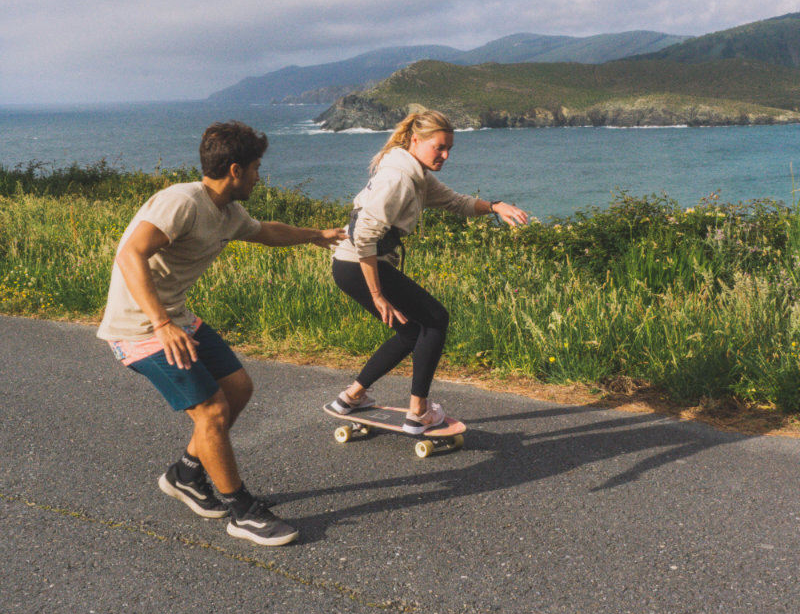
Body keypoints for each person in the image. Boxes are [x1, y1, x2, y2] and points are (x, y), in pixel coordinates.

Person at [97, 121, 345, 547]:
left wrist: (316, 235)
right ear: (235, 170)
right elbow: (130, 253)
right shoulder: (182, 201)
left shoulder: (227, 212)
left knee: (238, 388)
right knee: (211, 412)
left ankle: (186, 474)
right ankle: (241, 511)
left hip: (175, 317)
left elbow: (265, 231)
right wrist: (160, 323)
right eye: (256, 168)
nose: (258, 176)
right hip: (139, 328)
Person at [330, 109, 528, 432]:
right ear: (415, 140)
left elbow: (456, 202)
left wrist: (495, 206)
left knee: (411, 331)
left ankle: (351, 396)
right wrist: (377, 294)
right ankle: (419, 411)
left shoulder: (414, 174)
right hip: (360, 264)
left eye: (449, 148)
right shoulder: (398, 178)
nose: (446, 155)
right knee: (435, 319)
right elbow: (363, 235)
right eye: (439, 147)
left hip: (353, 265)